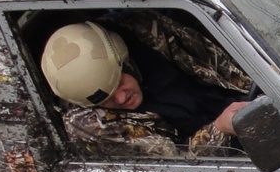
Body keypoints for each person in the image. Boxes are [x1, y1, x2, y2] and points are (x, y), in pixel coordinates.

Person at [39, 20, 249, 151]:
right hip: (230, 153)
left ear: (126, 60)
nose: (121, 98)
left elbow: (225, 62)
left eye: (119, 83)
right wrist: (220, 129)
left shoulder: (148, 33)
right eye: (107, 99)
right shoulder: (90, 126)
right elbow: (177, 166)